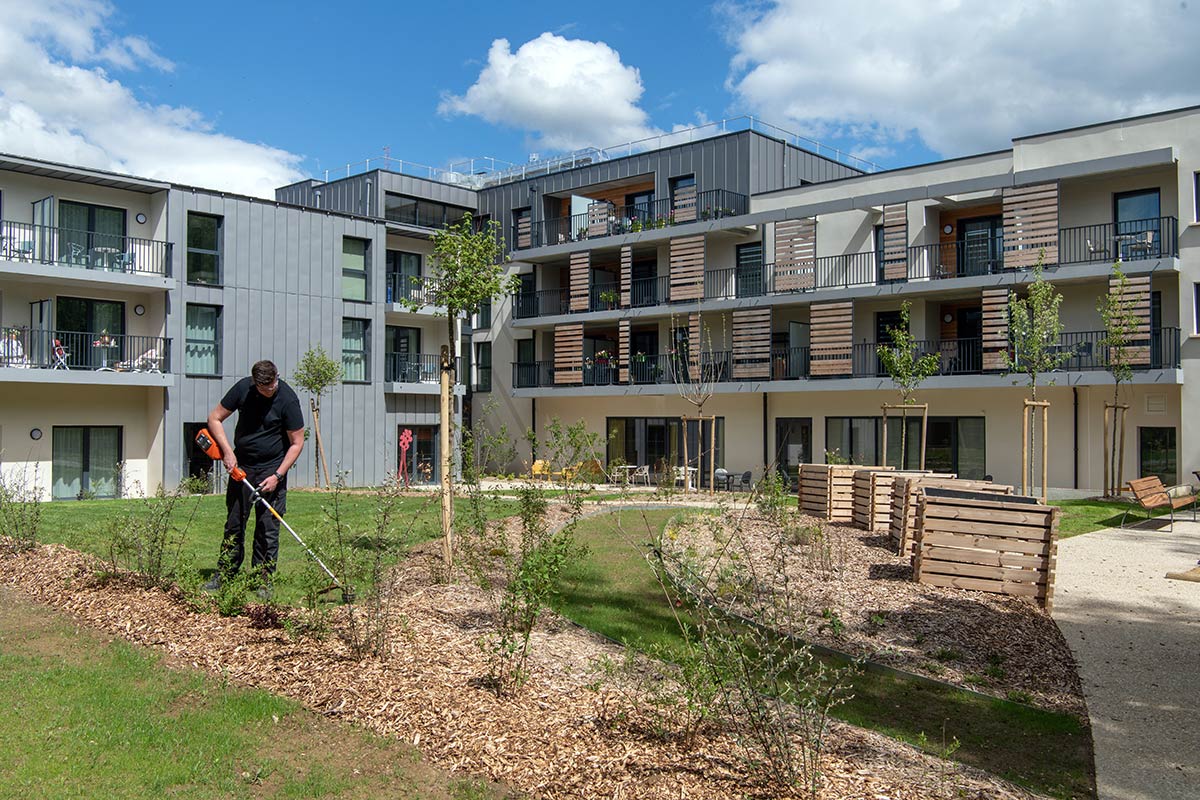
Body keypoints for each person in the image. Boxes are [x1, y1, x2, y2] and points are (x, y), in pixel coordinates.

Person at [203, 360, 304, 593]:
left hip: (272, 469)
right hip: (242, 467)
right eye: (265, 387)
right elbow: (214, 418)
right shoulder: (243, 389)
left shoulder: (287, 400)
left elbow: (297, 443)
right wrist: (228, 452)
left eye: (274, 383)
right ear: (255, 383)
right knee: (234, 524)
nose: (271, 389)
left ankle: (263, 579)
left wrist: (277, 476)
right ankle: (226, 573)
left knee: (267, 528)